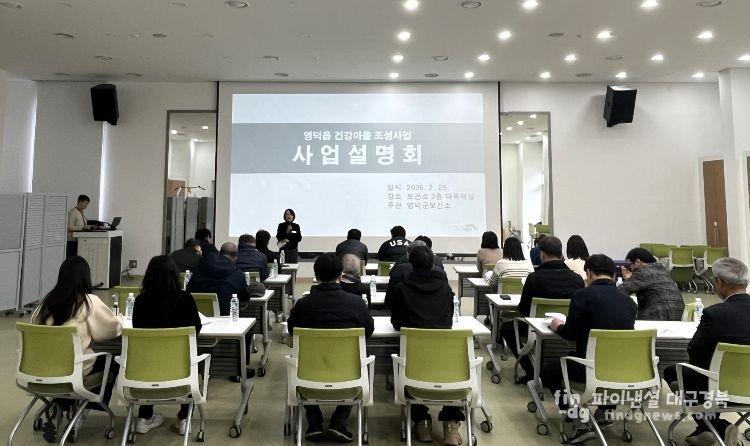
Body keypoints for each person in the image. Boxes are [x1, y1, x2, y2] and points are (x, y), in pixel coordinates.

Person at [544, 254, 637, 443]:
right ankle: (604, 413)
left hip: (589, 370)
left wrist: (558, 326)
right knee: (610, 360)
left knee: (549, 370)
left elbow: (571, 333)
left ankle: (577, 420)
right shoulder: (629, 301)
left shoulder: (582, 296)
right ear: (613, 275)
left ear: (589, 272)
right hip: (622, 371)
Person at [287, 253, 374, 443]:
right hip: (349, 380)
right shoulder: (356, 303)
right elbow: (368, 331)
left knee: (299, 359)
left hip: (308, 380)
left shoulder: (303, 305)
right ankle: (339, 422)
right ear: (341, 274)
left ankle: (314, 422)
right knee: (360, 361)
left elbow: (292, 331)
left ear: (316, 276)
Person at [663, 257, 750, 446]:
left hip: (721, 388)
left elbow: (694, 351)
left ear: (719, 282)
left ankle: (716, 427)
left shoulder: (715, 314)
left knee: (674, 372)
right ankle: (705, 429)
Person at [32, 256, 122, 429]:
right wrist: (118, 318)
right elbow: (112, 330)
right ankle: (81, 410)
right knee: (111, 360)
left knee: (63, 361)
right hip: (72, 371)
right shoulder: (88, 302)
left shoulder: (44, 304)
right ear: (85, 277)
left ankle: (61, 404)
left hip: (40, 369)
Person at [387, 245, 463, 446]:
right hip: (447, 363)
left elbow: (396, 322)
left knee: (406, 363)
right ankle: (451, 425)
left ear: (410, 263)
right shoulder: (446, 289)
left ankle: (422, 422)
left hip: (413, 362)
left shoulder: (401, 289)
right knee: (454, 369)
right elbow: (448, 321)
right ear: (433, 264)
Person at [132, 255, 202, 436]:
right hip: (180, 370)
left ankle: (145, 416)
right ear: (175, 276)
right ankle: (184, 418)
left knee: (149, 357)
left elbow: (137, 330)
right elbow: (196, 329)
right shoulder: (185, 299)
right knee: (196, 360)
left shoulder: (140, 301)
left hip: (145, 370)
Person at [500, 236, 585, 380]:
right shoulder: (577, 279)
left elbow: (524, 310)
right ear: (561, 254)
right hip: (567, 330)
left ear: (542, 255)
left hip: (535, 330)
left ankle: (531, 371)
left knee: (507, 328)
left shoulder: (534, 278)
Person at [618, 247, 684, 320]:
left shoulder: (642, 272)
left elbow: (619, 292)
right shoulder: (662, 270)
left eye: (630, 267)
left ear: (637, 261)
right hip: (677, 314)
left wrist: (627, 279)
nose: (631, 270)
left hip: (658, 314)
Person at [187, 242, 249, 315]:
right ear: (235, 257)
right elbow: (244, 297)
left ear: (219, 253)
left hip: (197, 316)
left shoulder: (201, 267)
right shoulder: (238, 274)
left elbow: (188, 290)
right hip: (225, 317)